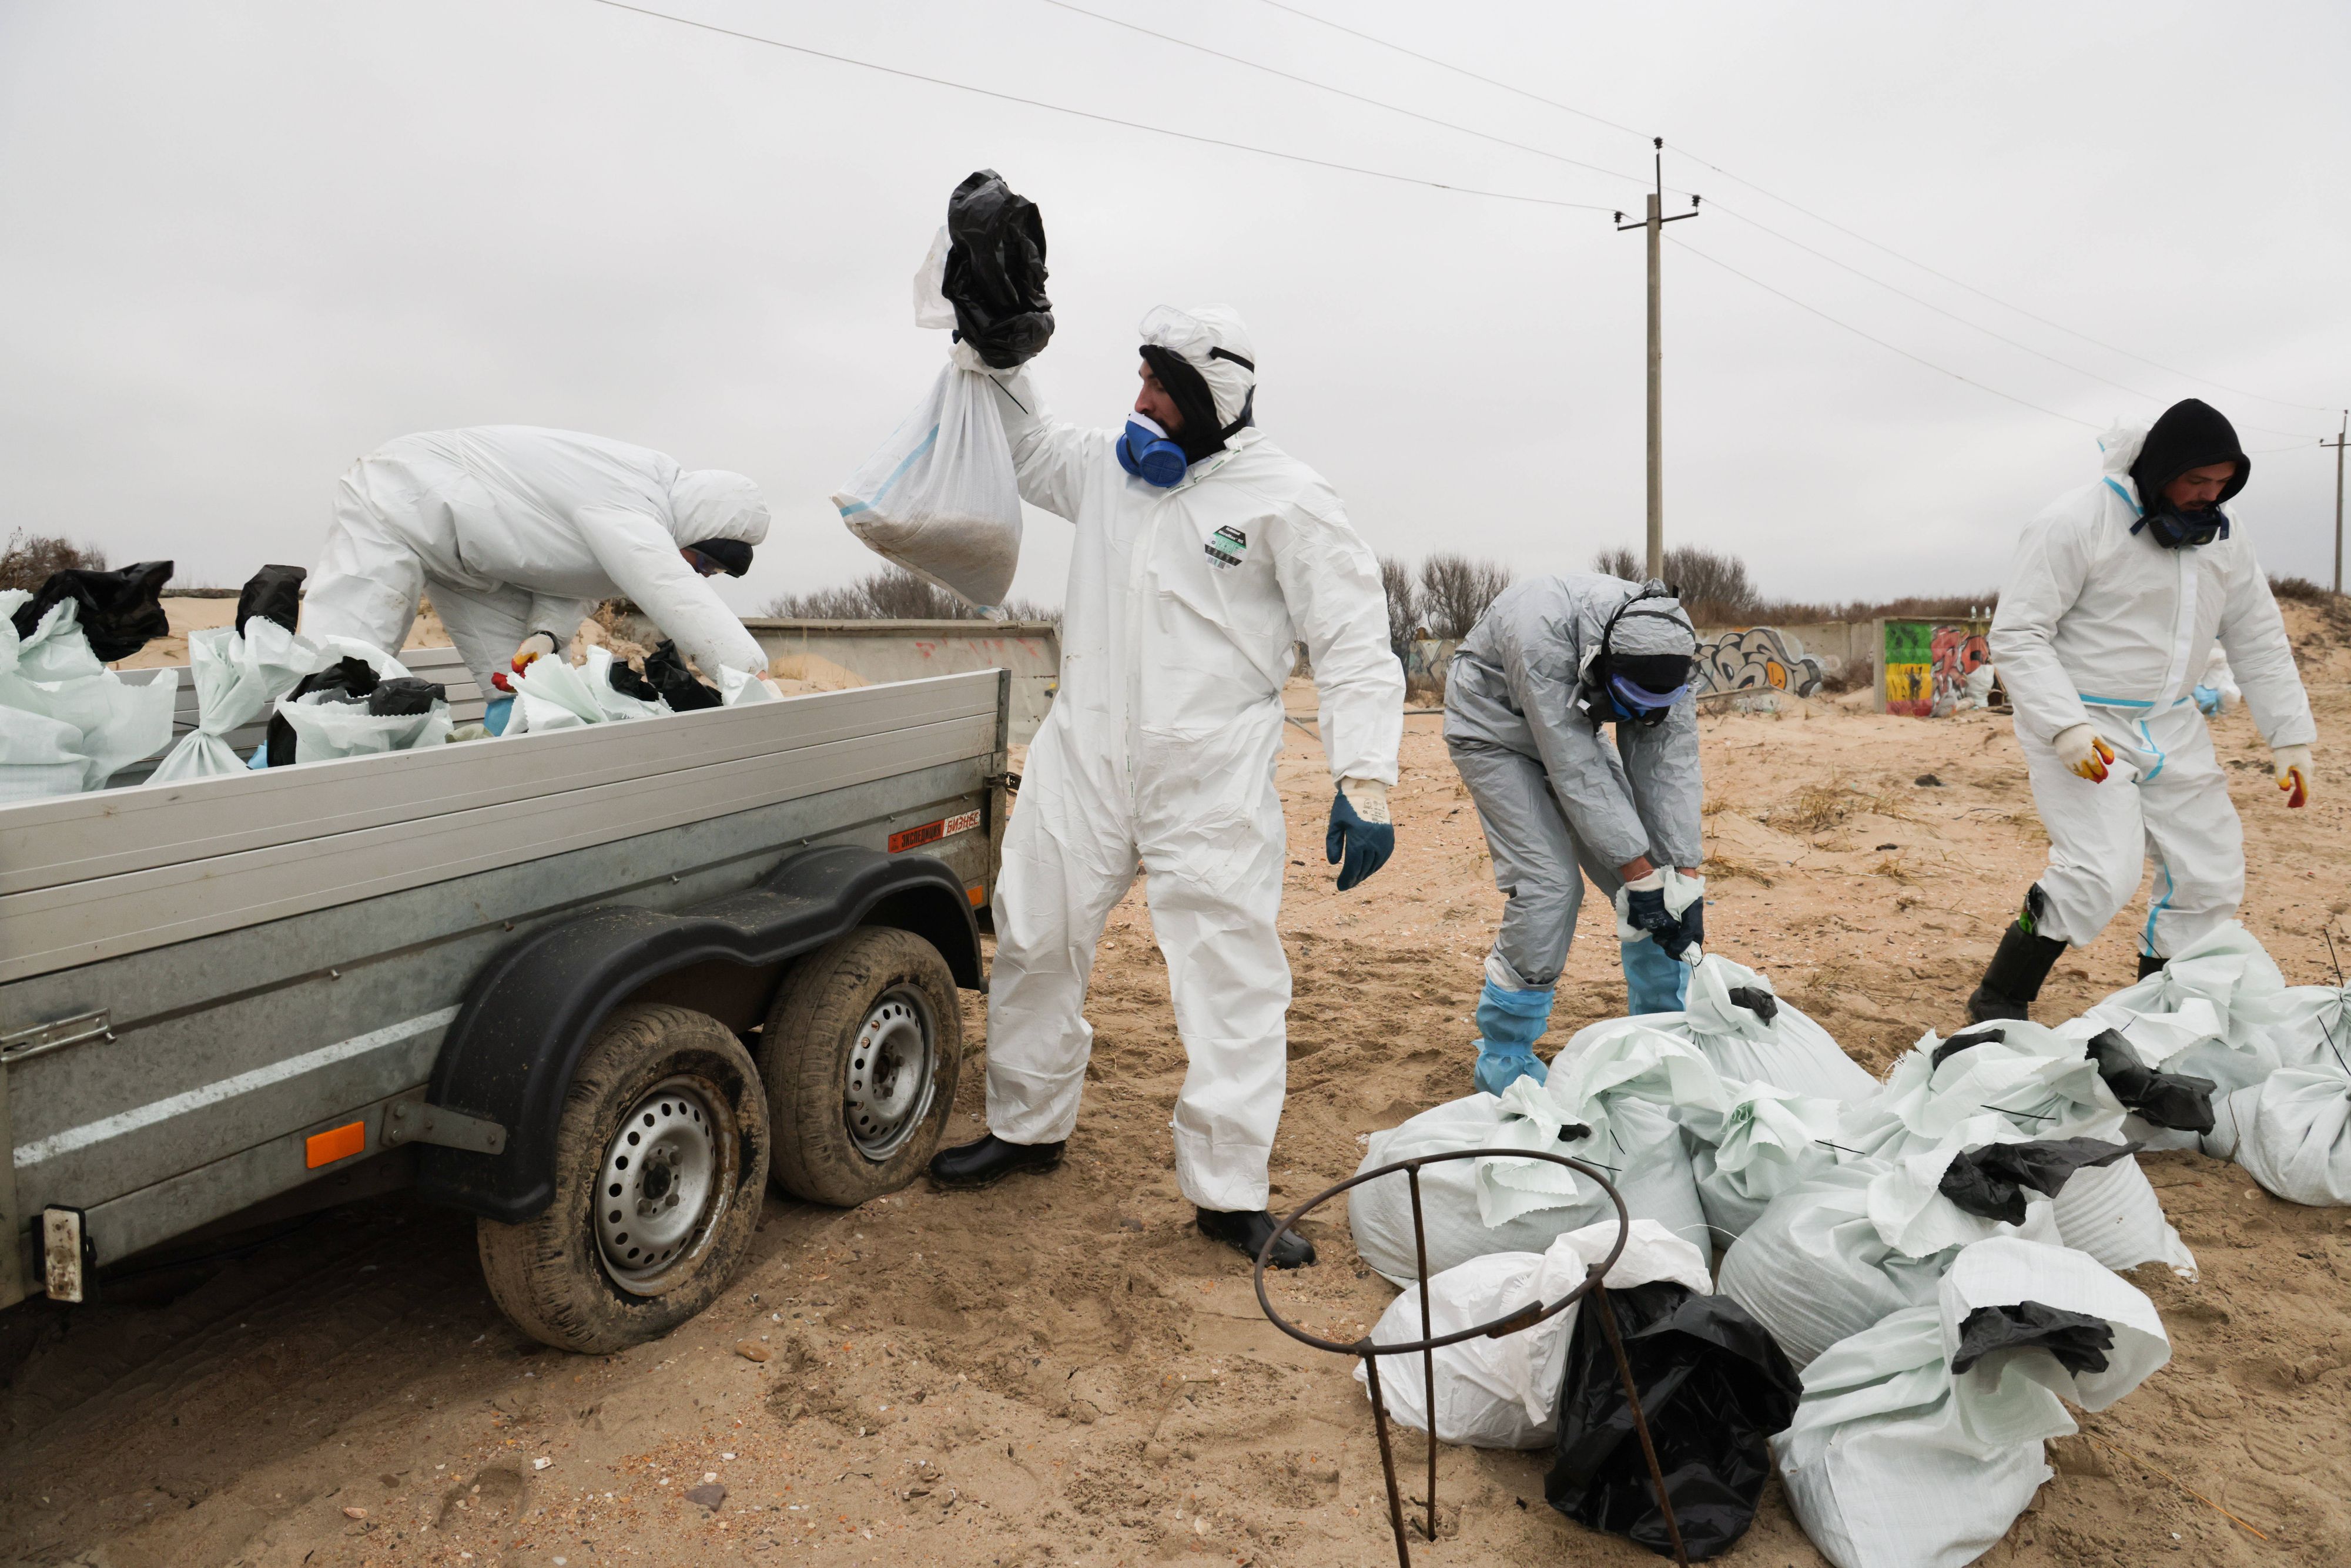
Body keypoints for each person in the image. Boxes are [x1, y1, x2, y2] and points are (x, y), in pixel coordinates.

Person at [925, 304, 1403, 1268]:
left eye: (1159, 387)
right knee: (1035, 934)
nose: (1139, 400)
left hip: (1210, 777)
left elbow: (1354, 644)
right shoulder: (1109, 471)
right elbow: (1018, 444)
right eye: (1139, 379)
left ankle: (1228, 1193)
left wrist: (1366, 779)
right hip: (1085, 754)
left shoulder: (1288, 498)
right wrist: (991, 339)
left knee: (1230, 981)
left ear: (1210, 398)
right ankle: (1027, 1125)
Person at [1970, 398, 2316, 1023]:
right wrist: (2064, 725)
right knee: (2103, 872)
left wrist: (2289, 737)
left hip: (2173, 723)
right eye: (2195, 481)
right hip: (2086, 724)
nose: (2208, 497)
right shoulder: (2076, 522)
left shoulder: (2226, 539)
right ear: (2160, 470)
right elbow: (2018, 633)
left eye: (2221, 484)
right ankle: (2000, 999)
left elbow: (2257, 636)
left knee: (2209, 874)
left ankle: (2159, 1017)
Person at [306, 425, 772, 731]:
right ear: (696, 526)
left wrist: (547, 634)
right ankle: (277, 767)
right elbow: (669, 586)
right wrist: (752, 676)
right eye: (705, 563)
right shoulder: (635, 497)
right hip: (399, 498)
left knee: (524, 692)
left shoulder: (642, 518)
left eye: (714, 574)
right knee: (337, 671)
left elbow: (577, 578)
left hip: (476, 563)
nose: (701, 575)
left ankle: (508, 795)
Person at [1442, 574, 1706, 1094]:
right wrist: (1639, 876)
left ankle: (1662, 1035)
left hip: (1573, 725)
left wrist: (1685, 880)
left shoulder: (1673, 643)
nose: (1639, 719)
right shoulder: (1537, 631)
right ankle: (1506, 1056)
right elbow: (1573, 766)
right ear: (1603, 664)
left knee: (1661, 881)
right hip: (1492, 729)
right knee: (1550, 886)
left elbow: (1669, 766)